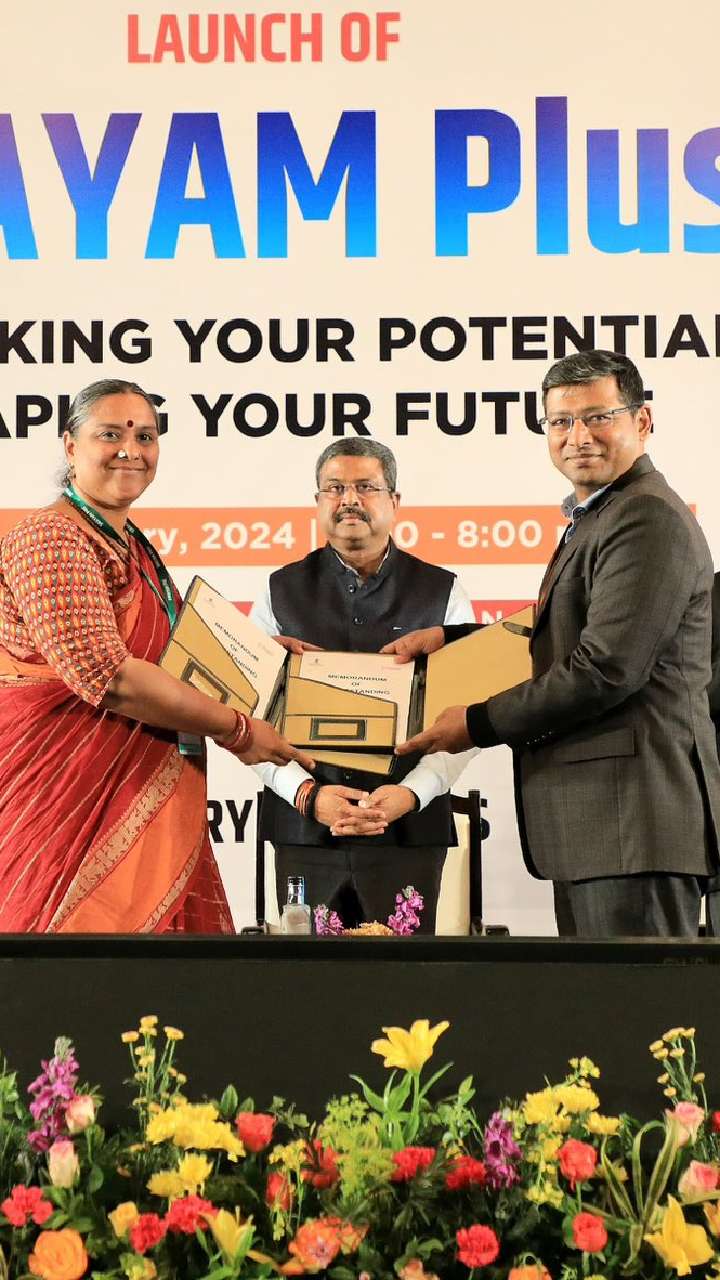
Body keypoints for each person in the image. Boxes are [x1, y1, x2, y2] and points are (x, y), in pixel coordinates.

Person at [390, 350, 720, 937]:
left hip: (632, 826)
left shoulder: (645, 517)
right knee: (597, 998)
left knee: (631, 999)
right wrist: (452, 641)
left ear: (642, 421)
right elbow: (560, 634)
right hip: (604, 831)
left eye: (598, 417)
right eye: (561, 421)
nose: (578, 437)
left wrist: (477, 723)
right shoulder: (600, 515)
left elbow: (605, 668)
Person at [0, 379, 312, 934]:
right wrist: (239, 731)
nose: (131, 450)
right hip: (65, 798)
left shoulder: (130, 542)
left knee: (164, 977)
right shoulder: (50, 539)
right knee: (74, 968)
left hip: (143, 784)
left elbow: (171, 649)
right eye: (110, 434)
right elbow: (110, 676)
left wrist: (257, 658)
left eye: (145, 436)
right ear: (70, 445)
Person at [250, 438, 477, 932]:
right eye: (334, 488)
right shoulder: (276, 590)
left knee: (404, 976)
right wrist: (307, 795)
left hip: (407, 831)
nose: (348, 500)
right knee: (308, 977)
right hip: (306, 832)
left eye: (366, 487)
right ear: (317, 502)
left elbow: (464, 722)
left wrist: (410, 794)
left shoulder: (444, 592)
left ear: (394, 501)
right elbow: (250, 723)